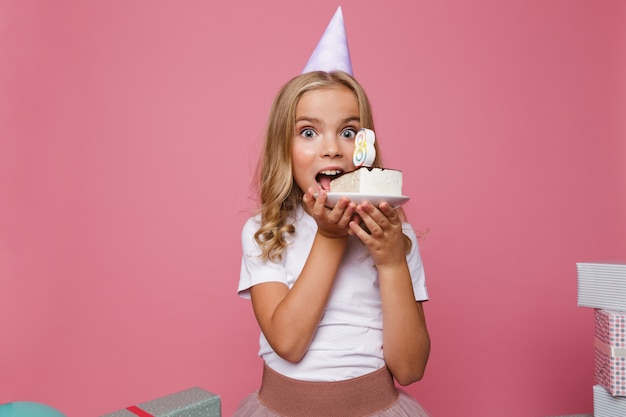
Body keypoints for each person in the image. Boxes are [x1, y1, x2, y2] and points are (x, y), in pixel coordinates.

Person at [233, 7, 431, 417]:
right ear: (283, 150)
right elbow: (288, 343)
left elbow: (410, 369)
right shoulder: (265, 232)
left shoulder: (393, 237)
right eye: (308, 132)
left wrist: (392, 261)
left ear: (366, 147)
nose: (331, 148)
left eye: (348, 131)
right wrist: (329, 237)